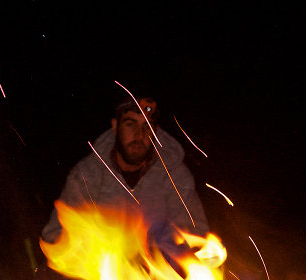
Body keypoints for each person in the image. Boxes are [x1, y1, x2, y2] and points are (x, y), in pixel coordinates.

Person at [41, 94, 209, 269]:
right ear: (115, 126)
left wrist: (154, 260)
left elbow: (197, 237)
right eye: (130, 124)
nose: (139, 135)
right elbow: (55, 236)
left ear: (155, 132)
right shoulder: (87, 174)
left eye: (147, 126)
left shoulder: (175, 175)